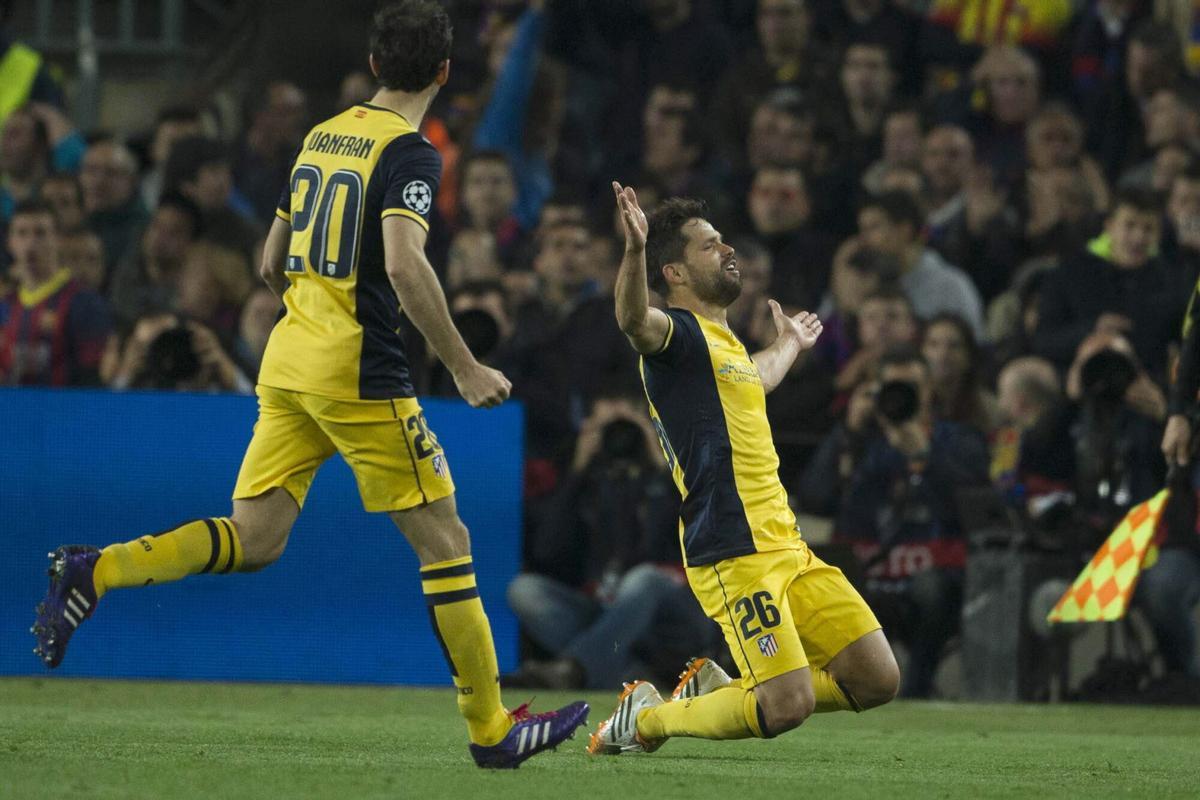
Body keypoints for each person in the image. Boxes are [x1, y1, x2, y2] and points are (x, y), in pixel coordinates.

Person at [31, 0, 586, 770]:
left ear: (373, 62)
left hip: (289, 363)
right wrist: (463, 364)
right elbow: (402, 262)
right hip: (359, 375)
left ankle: (99, 568)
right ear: (446, 72)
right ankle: (492, 729)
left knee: (255, 538)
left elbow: (270, 258)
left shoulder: (326, 136)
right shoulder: (411, 153)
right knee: (447, 541)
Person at [589, 184, 898, 756]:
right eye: (709, 245)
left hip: (788, 543)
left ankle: (730, 691)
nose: (727, 249)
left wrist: (789, 344)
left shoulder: (723, 346)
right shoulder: (675, 339)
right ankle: (646, 720)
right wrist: (634, 252)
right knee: (786, 707)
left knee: (877, 679)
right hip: (733, 546)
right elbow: (634, 319)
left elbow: (757, 378)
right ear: (675, 273)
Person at [0, 199, 110, 386]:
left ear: (58, 239)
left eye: (40, 233)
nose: (31, 243)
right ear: (10, 242)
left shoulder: (83, 303)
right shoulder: (6, 306)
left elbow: (92, 378)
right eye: (22, 233)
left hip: (64, 412)